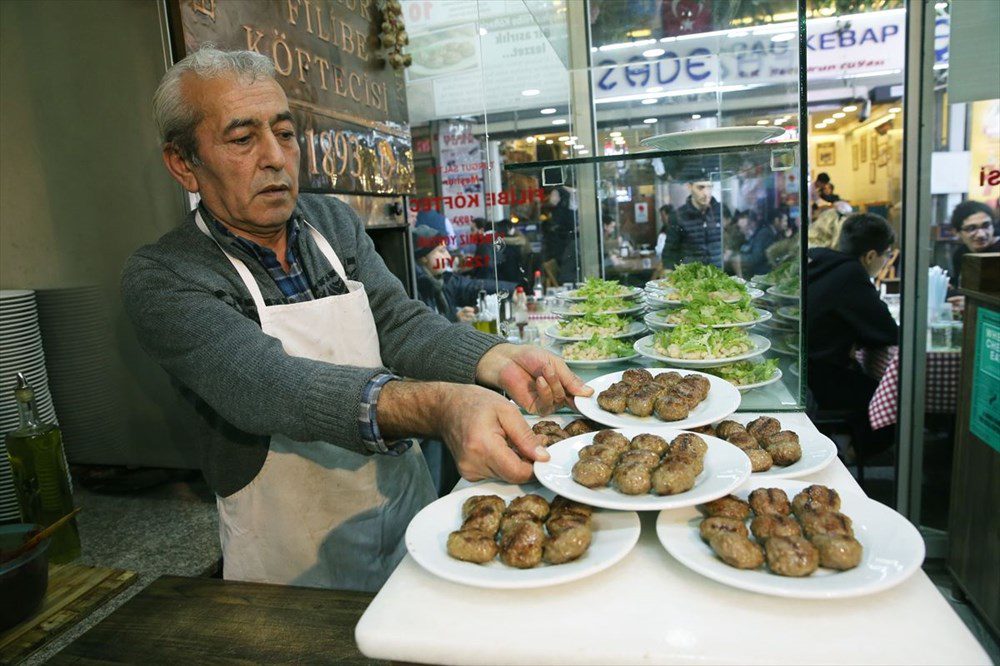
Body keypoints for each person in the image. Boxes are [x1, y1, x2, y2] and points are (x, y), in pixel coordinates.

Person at [121, 48, 591, 592]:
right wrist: (438, 405)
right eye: (242, 138)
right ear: (183, 163)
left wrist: (492, 358)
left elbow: (396, 322)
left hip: (403, 506)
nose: (275, 157)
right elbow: (267, 386)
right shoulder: (164, 275)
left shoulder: (330, 223)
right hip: (294, 558)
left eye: (285, 132)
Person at [806, 213, 899, 459]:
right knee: (890, 397)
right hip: (819, 378)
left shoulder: (821, 260)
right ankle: (850, 452)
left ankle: (845, 441)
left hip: (801, 370)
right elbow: (887, 331)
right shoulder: (852, 275)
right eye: (886, 255)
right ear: (870, 256)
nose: (886, 261)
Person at [412, 225, 516, 323]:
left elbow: (474, 287)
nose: (448, 257)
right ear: (423, 257)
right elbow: (423, 330)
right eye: (442, 251)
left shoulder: (444, 280)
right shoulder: (413, 291)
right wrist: (454, 319)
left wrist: (515, 290)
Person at [661, 168, 723, 268]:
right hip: (692, 278)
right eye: (700, 187)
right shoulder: (678, 216)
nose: (706, 193)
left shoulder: (720, 211)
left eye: (709, 187)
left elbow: (732, 244)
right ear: (689, 187)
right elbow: (670, 252)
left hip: (718, 275)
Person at [949, 200, 999, 286]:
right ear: (956, 232)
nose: (981, 234)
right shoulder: (961, 254)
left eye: (986, 226)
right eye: (971, 228)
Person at [737, 209, 777, 278]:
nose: (741, 231)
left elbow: (755, 258)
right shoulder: (754, 234)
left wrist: (736, 258)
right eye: (740, 228)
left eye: (744, 228)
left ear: (752, 223)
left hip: (762, 275)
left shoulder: (763, 234)